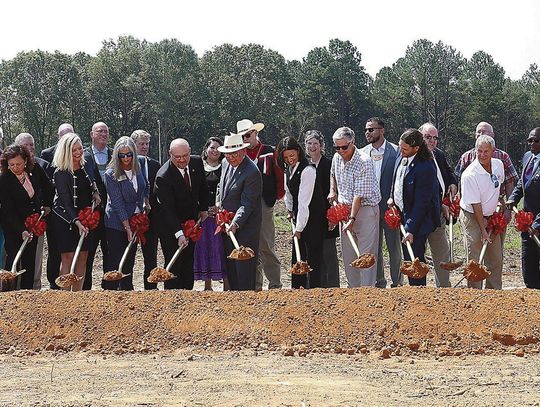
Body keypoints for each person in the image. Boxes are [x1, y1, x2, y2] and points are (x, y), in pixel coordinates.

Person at [328, 127, 381, 287]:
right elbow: (333, 174)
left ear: (353, 143)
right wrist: (332, 191)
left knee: (365, 255)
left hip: (365, 211)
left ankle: (367, 291)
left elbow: (359, 195)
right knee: (349, 255)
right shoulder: (337, 157)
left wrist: (352, 218)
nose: (340, 151)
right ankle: (353, 291)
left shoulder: (364, 161)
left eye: (344, 147)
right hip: (344, 210)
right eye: (337, 147)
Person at [153, 139, 209, 290]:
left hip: (191, 222)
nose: (182, 160)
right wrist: (179, 234)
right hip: (170, 226)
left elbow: (203, 187)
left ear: (190, 151)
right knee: (174, 261)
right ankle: (172, 296)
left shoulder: (196, 162)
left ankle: (187, 294)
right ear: (170, 154)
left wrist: (203, 208)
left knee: (188, 260)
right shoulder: (163, 177)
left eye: (185, 155)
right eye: (177, 157)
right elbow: (168, 209)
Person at [389, 129, 440, 286]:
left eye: (404, 149)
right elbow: (397, 179)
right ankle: (412, 289)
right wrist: (392, 197)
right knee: (407, 255)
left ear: (416, 148)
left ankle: (418, 291)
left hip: (419, 219)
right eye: (400, 147)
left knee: (415, 256)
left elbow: (422, 202)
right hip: (403, 213)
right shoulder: (402, 156)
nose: (400, 151)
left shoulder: (425, 167)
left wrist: (411, 229)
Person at [50, 133, 100, 291]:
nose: (78, 153)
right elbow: (66, 201)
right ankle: (65, 297)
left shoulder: (86, 165)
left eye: (80, 149)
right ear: (66, 152)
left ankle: (77, 296)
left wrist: (96, 193)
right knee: (68, 257)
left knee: (83, 256)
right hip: (65, 219)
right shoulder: (60, 173)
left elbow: (92, 182)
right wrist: (77, 222)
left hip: (85, 218)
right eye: (74, 150)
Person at [0, 145, 53, 289]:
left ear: (25, 161)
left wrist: (46, 204)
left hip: (33, 223)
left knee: (29, 261)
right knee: (13, 259)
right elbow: (7, 211)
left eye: (18, 164)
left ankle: (27, 294)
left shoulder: (34, 171)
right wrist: (21, 230)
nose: (15, 168)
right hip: (13, 226)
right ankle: (8, 294)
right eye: (11, 165)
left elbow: (48, 186)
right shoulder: (4, 180)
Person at [239, 119, 283, 290]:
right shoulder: (239, 154)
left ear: (256, 133)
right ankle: (255, 285)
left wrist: (276, 197)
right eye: (242, 136)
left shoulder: (270, 151)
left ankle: (275, 284)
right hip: (245, 204)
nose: (245, 138)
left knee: (266, 244)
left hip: (264, 202)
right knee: (251, 245)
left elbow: (279, 176)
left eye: (248, 135)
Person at [216, 132, 262, 291]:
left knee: (244, 270)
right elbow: (220, 186)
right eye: (227, 154)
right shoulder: (224, 163)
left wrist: (235, 222)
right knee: (231, 266)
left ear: (243, 151)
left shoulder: (252, 172)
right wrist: (218, 202)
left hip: (245, 228)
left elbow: (247, 203)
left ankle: (247, 303)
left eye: (234, 153)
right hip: (227, 226)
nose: (230, 157)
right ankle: (235, 302)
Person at [359, 117, 402, 288]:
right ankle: (379, 282)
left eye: (371, 129)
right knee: (373, 248)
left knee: (394, 248)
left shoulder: (396, 151)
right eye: (366, 130)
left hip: (390, 207)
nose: (367, 133)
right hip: (369, 208)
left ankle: (397, 282)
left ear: (382, 130)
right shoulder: (362, 153)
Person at [278, 136, 325, 289]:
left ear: (298, 152)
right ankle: (297, 290)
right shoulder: (288, 170)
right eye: (286, 157)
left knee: (312, 258)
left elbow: (304, 202)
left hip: (312, 219)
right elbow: (289, 193)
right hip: (299, 216)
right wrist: (290, 210)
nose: (289, 159)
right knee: (298, 257)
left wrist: (299, 229)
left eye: (292, 155)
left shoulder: (308, 170)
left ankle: (314, 291)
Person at [103, 137, 149, 290]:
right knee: (116, 259)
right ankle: (111, 290)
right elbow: (117, 202)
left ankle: (127, 290)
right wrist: (127, 228)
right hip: (117, 222)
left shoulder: (139, 166)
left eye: (129, 154)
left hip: (135, 219)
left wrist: (145, 202)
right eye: (122, 155)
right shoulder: (111, 174)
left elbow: (145, 185)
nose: (126, 158)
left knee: (129, 259)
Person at [459, 135, 504, 289]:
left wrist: (499, 203)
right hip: (472, 215)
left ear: (493, 151)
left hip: (491, 215)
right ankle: (475, 293)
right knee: (475, 256)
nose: (483, 155)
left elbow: (499, 185)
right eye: (479, 151)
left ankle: (494, 293)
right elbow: (476, 206)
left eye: (486, 151)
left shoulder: (498, 164)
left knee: (496, 257)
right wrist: (483, 230)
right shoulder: (469, 175)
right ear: (475, 151)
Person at [455, 122, 518, 228]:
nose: (481, 134)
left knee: (496, 240)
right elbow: (457, 181)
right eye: (478, 132)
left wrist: (508, 209)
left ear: (493, 135)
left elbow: (509, 182)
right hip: (471, 210)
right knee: (474, 242)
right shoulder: (466, 157)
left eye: (484, 131)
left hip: (496, 208)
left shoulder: (502, 157)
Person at [419, 123, 458, 287]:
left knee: (442, 254)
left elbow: (449, 173)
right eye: (428, 137)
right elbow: (423, 190)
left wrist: (453, 183)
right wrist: (440, 204)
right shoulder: (414, 157)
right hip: (420, 215)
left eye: (435, 138)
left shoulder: (439, 155)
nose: (432, 141)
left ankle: (444, 290)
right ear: (420, 137)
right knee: (418, 255)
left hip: (439, 215)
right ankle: (419, 290)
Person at [14, 133, 52, 289]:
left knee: (33, 259)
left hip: (35, 220)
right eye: (25, 146)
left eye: (32, 145)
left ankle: (32, 290)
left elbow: (49, 187)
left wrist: (47, 205)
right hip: (14, 222)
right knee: (14, 256)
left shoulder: (38, 166)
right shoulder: (10, 167)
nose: (29, 148)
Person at [304, 130, 340, 288]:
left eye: (315, 144)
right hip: (308, 218)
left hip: (326, 217)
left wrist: (332, 216)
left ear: (321, 145)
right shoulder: (303, 165)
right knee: (313, 254)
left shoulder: (329, 164)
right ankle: (316, 287)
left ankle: (332, 286)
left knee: (328, 254)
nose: (312, 147)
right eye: (309, 143)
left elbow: (333, 191)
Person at [41, 123, 73, 288]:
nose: (67, 137)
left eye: (70, 134)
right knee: (55, 250)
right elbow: (46, 184)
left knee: (72, 251)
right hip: (56, 211)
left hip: (74, 211)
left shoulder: (79, 154)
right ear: (58, 136)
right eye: (63, 134)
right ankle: (54, 283)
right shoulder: (47, 154)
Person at [507, 128, 540, 289]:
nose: (532, 143)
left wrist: (538, 224)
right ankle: (532, 291)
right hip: (528, 220)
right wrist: (514, 197)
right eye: (530, 140)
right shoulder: (528, 157)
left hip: (538, 222)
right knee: (528, 261)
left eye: (536, 140)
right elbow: (522, 181)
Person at [193, 137, 227, 291]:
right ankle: (207, 286)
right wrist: (203, 209)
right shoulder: (198, 167)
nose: (214, 151)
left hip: (220, 216)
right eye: (212, 147)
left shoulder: (225, 167)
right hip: (203, 216)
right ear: (206, 149)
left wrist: (218, 208)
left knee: (220, 249)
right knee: (204, 248)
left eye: (218, 148)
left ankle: (227, 284)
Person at [131, 129, 161, 290]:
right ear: (133, 145)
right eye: (141, 144)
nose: (144, 147)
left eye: (147, 144)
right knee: (129, 254)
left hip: (151, 218)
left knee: (151, 256)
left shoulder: (155, 165)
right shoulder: (125, 165)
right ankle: (126, 287)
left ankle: (151, 288)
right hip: (130, 217)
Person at [83, 122, 112, 290]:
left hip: (111, 212)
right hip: (91, 213)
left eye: (106, 132)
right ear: (91, 134)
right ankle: (86, 288)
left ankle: (109, 286)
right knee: (89, 252)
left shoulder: (115, 154)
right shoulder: (84, 155)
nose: (103, 134)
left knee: (109, 250)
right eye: (99, 131)